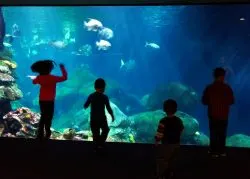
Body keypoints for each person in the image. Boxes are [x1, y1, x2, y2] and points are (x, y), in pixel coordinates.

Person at [29, 60, 68, 140]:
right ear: (49, 69)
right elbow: (64, 78)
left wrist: (35, 78)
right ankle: (47, 133)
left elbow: (34, 82)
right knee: (49, 117)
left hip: (42, 100)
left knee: (43, 116)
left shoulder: (39, 78)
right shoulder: (52, 78)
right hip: (50, 101)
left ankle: (40, 134)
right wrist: (62, 68)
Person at [202, 67, 234, 157]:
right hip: (224, 115)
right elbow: (231, 101)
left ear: (214, 76)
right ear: (224, 76)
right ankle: (222, 151)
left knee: (213, 133)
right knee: (222, 133)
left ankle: (213, 152)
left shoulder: (209, 88)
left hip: (213, 114)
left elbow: (204, 101)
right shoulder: (227, 88)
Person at [155, 99, 184, 179]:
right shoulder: (179, 120)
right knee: (173, 161)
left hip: (166, 145)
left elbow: (159, 133)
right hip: (176, 145)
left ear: (164, 109)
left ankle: (161, 176)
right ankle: (171, 175)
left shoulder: (163, 121)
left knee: (163, 161)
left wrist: (157, 141)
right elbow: (181, 130)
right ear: (176, 109)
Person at [84, 78, 115, 150]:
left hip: (93, 119)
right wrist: (112, 115)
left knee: (95, 134)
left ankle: (96, 148)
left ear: (94, 87)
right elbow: (108, 108)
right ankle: (100, 144)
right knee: (106, 130)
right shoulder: (105, 97)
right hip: (102, 118)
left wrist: (86, 106)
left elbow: (85, 105)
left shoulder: (91, 96)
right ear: (104, 87)